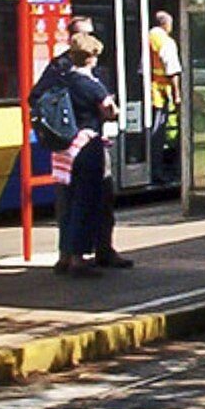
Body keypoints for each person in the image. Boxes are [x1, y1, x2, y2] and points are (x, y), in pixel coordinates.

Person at [53, 33, 117, 277]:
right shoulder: (90, 84)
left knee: (67, 204)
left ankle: (65, 255)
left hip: (62, 150)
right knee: (86, 202)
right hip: (86, 149)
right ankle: (79, 259)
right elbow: (110, 112)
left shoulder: (61, 80)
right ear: (91, 57)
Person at [146, 10, 182, 184]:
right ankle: (158, 173)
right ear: (166, 24)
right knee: (157, 135)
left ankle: (154, 170)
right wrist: (177, 94)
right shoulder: (166, 42)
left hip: (148, 92)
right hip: (159, 94)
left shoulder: (146, 37)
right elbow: (172, 70)